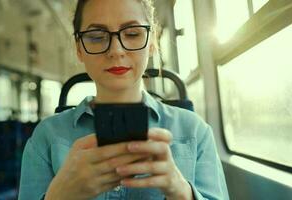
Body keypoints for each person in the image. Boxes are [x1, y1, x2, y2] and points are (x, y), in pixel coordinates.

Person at [18, 0, 229, 199]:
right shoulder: (46, 137)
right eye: (96, 36)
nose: (116, 50)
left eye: (132, 33)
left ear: (152, 41)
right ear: (79, 48)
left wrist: (181, 191)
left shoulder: (195, 132)